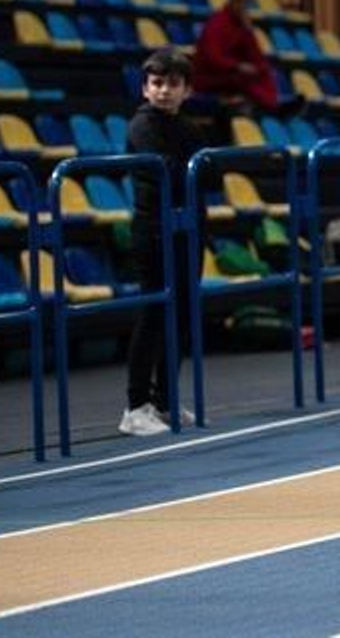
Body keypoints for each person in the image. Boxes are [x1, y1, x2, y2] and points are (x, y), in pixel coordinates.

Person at [122, 48, 209, 436]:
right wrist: (194, 170)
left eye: (173, 84)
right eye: (157, 83)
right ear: (145, 88)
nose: (164, 91)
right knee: (154, 315)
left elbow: (211, 173)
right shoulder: (142, 125)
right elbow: (172, 171)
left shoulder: (188, 128)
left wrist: (196, 170)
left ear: (187, 90)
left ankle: (164, 400)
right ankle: (135, 406)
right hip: (153, 231)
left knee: (183, 319)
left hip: (186, 230)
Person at [192, 0, 280, 114]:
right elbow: (213, 56)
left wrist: (248, 32)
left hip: (232, 71)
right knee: (245, 80)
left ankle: (271, 107)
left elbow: (255, 55)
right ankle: (267, 109)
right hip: (211, 74)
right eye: (239, 1)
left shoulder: (242, 25)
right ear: (232, 0)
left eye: (246, 3)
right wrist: (237, 66)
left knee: (264, 72)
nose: (242, 6)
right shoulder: (217, 23)